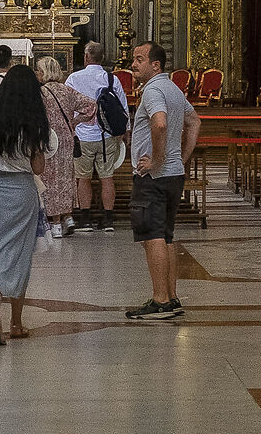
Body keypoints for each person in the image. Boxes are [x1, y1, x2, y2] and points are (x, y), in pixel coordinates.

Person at [0, 61, 51, 346]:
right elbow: (38, 167)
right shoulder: (34, 121)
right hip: (21, 190)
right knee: (19, 256)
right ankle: (16, 323)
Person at [125, 41, 198, 321]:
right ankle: (171, 296)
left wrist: (156, 161)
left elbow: (160, 123)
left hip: (154, 177)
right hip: (173, 174)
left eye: (140, 59)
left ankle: (160, 300)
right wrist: (180, 157)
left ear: (155, 65)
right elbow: (194, 122)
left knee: (152, 235)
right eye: (134, 59)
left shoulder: (154, 89)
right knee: (165, 236)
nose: (133, 64)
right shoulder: (173, 89)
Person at [68, 44, 129, 231]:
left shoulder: (73, 78)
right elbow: (123, 107)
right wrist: (125, 133)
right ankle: (108, 219)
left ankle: (85, 219)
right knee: (107, 177)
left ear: (86, 57)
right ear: (102, 58)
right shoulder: (112, 78)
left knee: (83, 178)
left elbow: (68, 106)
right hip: (107, 135)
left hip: (82, 135)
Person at [35, 57, 88, 238]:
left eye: (39, 71)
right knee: (66, 177)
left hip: (49, 139)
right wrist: (75, 121)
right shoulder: (67, 90)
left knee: (49, 179)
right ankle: (68, 216)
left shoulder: (41, 93)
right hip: (66, 138)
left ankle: (55, 223)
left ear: (43, 73)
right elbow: (91, 105)